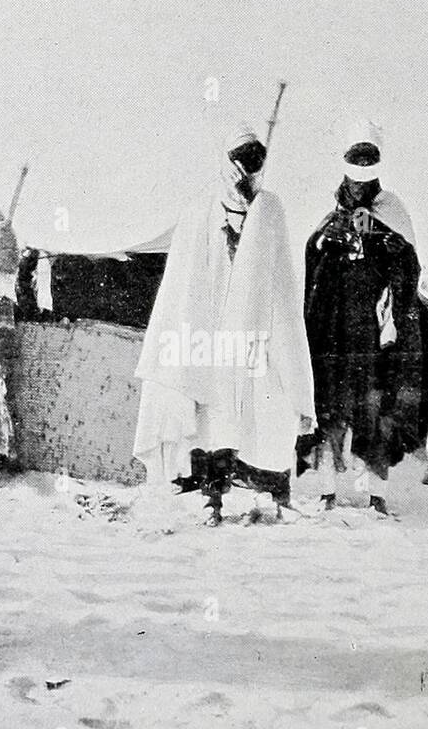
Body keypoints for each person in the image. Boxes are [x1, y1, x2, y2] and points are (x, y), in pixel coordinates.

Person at [134, 123, 315, 525]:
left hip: (258, 338)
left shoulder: (270, 208)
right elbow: (183, 284)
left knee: (264, 412)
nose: (245, 169)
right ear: (226, 161)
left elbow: (282, 282)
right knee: (211, 421)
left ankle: (267, 496)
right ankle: (211, 499)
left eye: (254, 160)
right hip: (210, 337)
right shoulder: (201, 210)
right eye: (240, 158)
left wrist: (253, 213)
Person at [298, 119, 424, 516]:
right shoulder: (331, 215)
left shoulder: (392, 210)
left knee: (375, 409)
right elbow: (312, 261)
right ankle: (329, 490)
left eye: (368, 161)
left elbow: (408, 268)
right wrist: (324, 243)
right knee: (331, 409)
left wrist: (388, 245)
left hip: (373, 332)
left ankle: (374, 495)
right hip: (334, 331)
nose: (360, 178)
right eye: (356, 161)